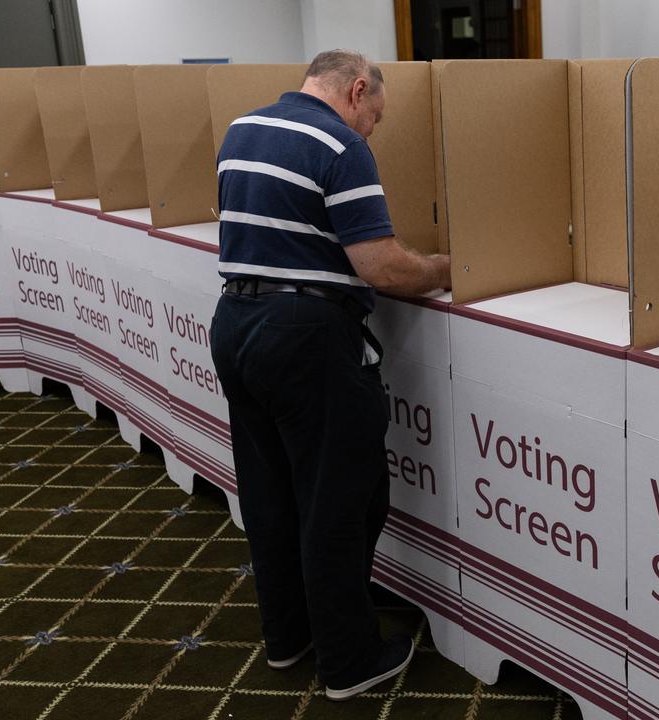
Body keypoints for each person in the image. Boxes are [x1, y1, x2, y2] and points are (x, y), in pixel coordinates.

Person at [209, 49, 451, 701]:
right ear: (356, 90)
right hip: (307, 337)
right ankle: (349, 661)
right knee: (341, 501)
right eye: (375, 115)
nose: (373, 128)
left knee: (271, 494)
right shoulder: (341, 146)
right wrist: (444, 268)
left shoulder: (241, 129)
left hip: (235, 323)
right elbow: (380, 267)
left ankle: (288, 638)